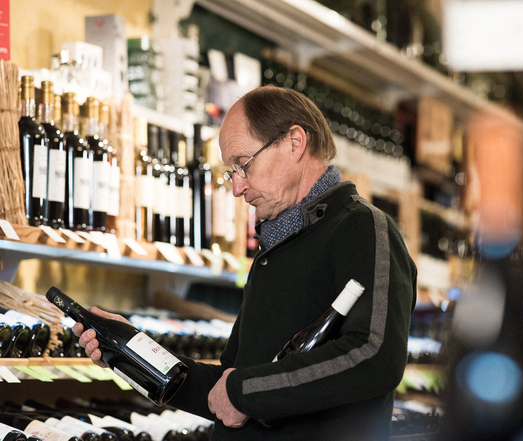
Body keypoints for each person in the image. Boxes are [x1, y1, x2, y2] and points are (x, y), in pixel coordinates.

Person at [74, 86, 417, 441]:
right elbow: (225, 386)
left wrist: (245, 392)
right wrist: (133, 353)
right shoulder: (276, 246)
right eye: (231, 171)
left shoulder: (362, 227)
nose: (237, 187)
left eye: (243, 164)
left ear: (295, 142)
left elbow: (375, 356)